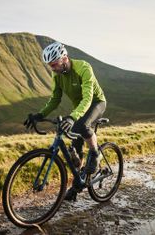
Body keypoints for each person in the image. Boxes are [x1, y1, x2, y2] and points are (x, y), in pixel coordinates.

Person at [24, 41, 107, 201]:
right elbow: (55, 99)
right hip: (80, 107)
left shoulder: (83, 67)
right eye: (50, 66)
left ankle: (96, 154)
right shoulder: (57, 75)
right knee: (74, 149)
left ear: (65, 58)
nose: (52, 69)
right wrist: (40, 115)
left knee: (82, 125)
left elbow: (88, 98)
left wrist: (73, 117)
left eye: (54, 64)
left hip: (96, 102)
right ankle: (78, 183)